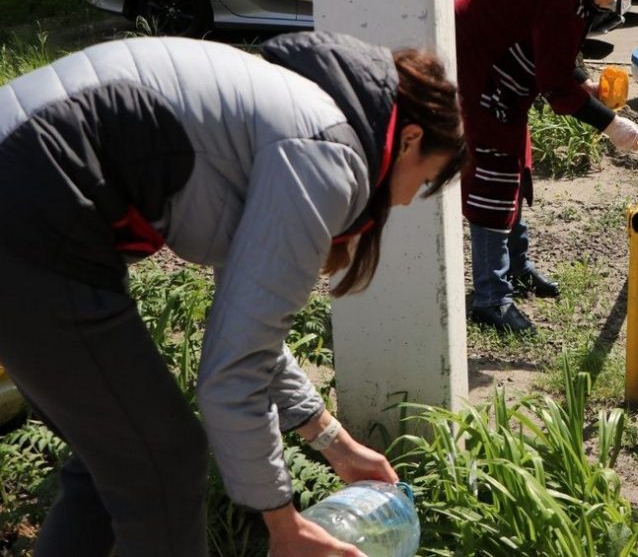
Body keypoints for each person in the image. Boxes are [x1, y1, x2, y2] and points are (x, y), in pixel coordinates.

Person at [0, 31, 466, 557]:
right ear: (407, 140)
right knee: (164, 461)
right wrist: (284, 524)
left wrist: (331, 440)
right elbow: (233, 372)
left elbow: (249, 327)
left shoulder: (296, 116)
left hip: (30, 191)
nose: (406, 202)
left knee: (118, 456)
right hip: (34, 201)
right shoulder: (327, 156)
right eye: (424, 181)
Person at [455, 0, 638, 333]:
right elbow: (553, 80)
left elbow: (558, 52)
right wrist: (610, 124)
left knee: (513, 170)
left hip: (502, 80)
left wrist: (585, 83)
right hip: (478, 80)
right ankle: (491, 297)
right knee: (494, 181)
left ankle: (516, 267)